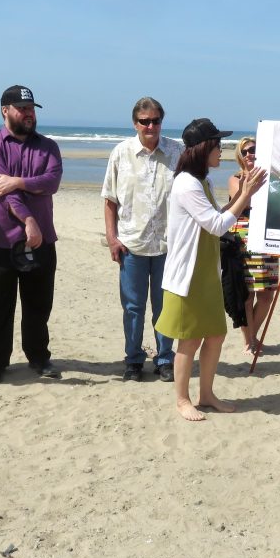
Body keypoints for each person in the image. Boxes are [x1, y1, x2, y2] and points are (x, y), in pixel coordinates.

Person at [155, 118, 266, 421]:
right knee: (188, 340)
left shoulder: (202, 180)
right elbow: (217, 226)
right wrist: (246, 195)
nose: (222, 151)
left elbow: (215, 217)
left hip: (206, 274)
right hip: (187, 277)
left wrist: (244, 192)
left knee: (215, 335)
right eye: (218, 146)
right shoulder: (187, 183)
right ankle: (181, 400)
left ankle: (206, 394)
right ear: (204, 149)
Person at [0, 85, 63, 386]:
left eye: (31, 108)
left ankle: (38, 357)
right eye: (22, 108)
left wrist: (18, 181)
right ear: (5, 110)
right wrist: (28, 218)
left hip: (41, 241)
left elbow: (51, 182)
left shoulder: (48, 146)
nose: (28, 113)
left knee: (38, 305)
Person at [102, 97, 182, 383]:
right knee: (133, 308)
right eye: (144, 121)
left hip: (168, 247)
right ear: (135, 123)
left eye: (155, 120)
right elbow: (110, 201)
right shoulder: (121, 153)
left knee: (165, 307)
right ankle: (133, 360)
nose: (150, 126)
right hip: (131, 245)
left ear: (162, 121)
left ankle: (164, 360)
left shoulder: (177, 153)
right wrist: (112, 239)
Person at [226, 137, 279, 354]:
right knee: (247, 294)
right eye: (245, 151)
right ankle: (249, 342)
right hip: (243, 239)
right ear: (240, 155)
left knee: (267, 294)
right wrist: (255, 182)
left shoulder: (270, 178)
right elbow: (247, 201)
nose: (250, 154)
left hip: (266, 238)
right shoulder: (235, 179)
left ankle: (252, 337)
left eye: (254, 150)